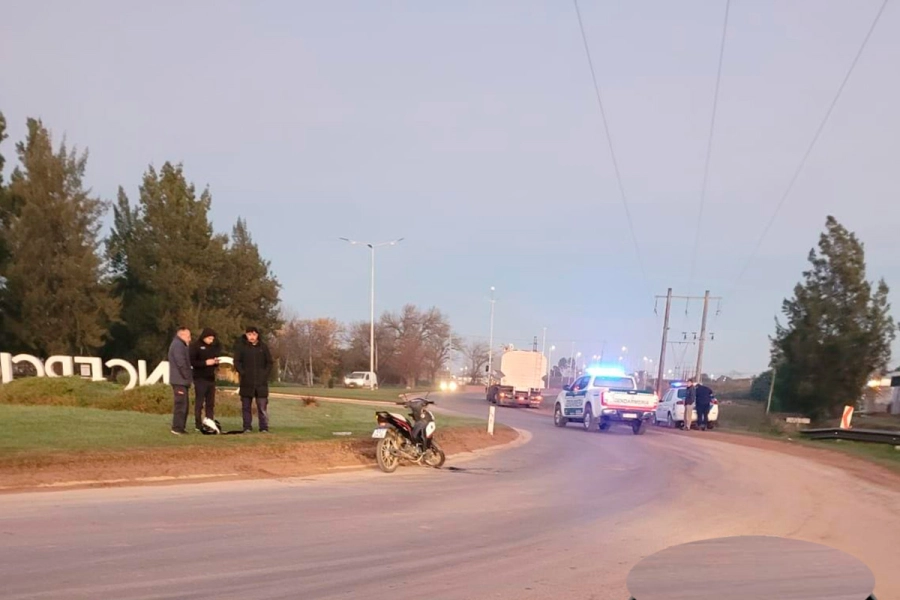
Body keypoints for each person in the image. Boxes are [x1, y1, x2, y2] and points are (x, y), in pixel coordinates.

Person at [234, 326, 273, 433]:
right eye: (249, 334)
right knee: (246, 407)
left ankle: (264, 427)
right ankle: (247, 427)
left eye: (254, 334)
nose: (252, 337)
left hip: (261, 383)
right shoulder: (241, 347)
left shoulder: (263, 347)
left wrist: (264, 374)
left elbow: (269, 362)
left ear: (258, 335)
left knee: (262, 407)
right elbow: (237, 361)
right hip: (246, 382)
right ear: (246, 335)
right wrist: (243, 373)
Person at [190, 328, 222, 431]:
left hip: (210, 379)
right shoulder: (195, 346)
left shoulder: (212, 347)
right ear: (204, 337)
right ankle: (198, 424)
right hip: (200, 379)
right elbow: (192, 362)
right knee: (199, 403)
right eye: (209, 338)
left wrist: (215, 363)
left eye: (212, 339)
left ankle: (210, 423)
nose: (211, 340)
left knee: (210, 403)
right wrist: (205, 363)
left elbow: (214, 359)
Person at [168, 327, 193, 435]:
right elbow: (181, 363)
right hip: (180, 381)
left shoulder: (179, 345)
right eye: (188, 336)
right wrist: (187, 377)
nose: (190, 339)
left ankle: (180, 427)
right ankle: (177, 428)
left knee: (184, 405)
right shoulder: (178, 345)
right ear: (181, 335)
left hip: (181, 380)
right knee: (181, 405)